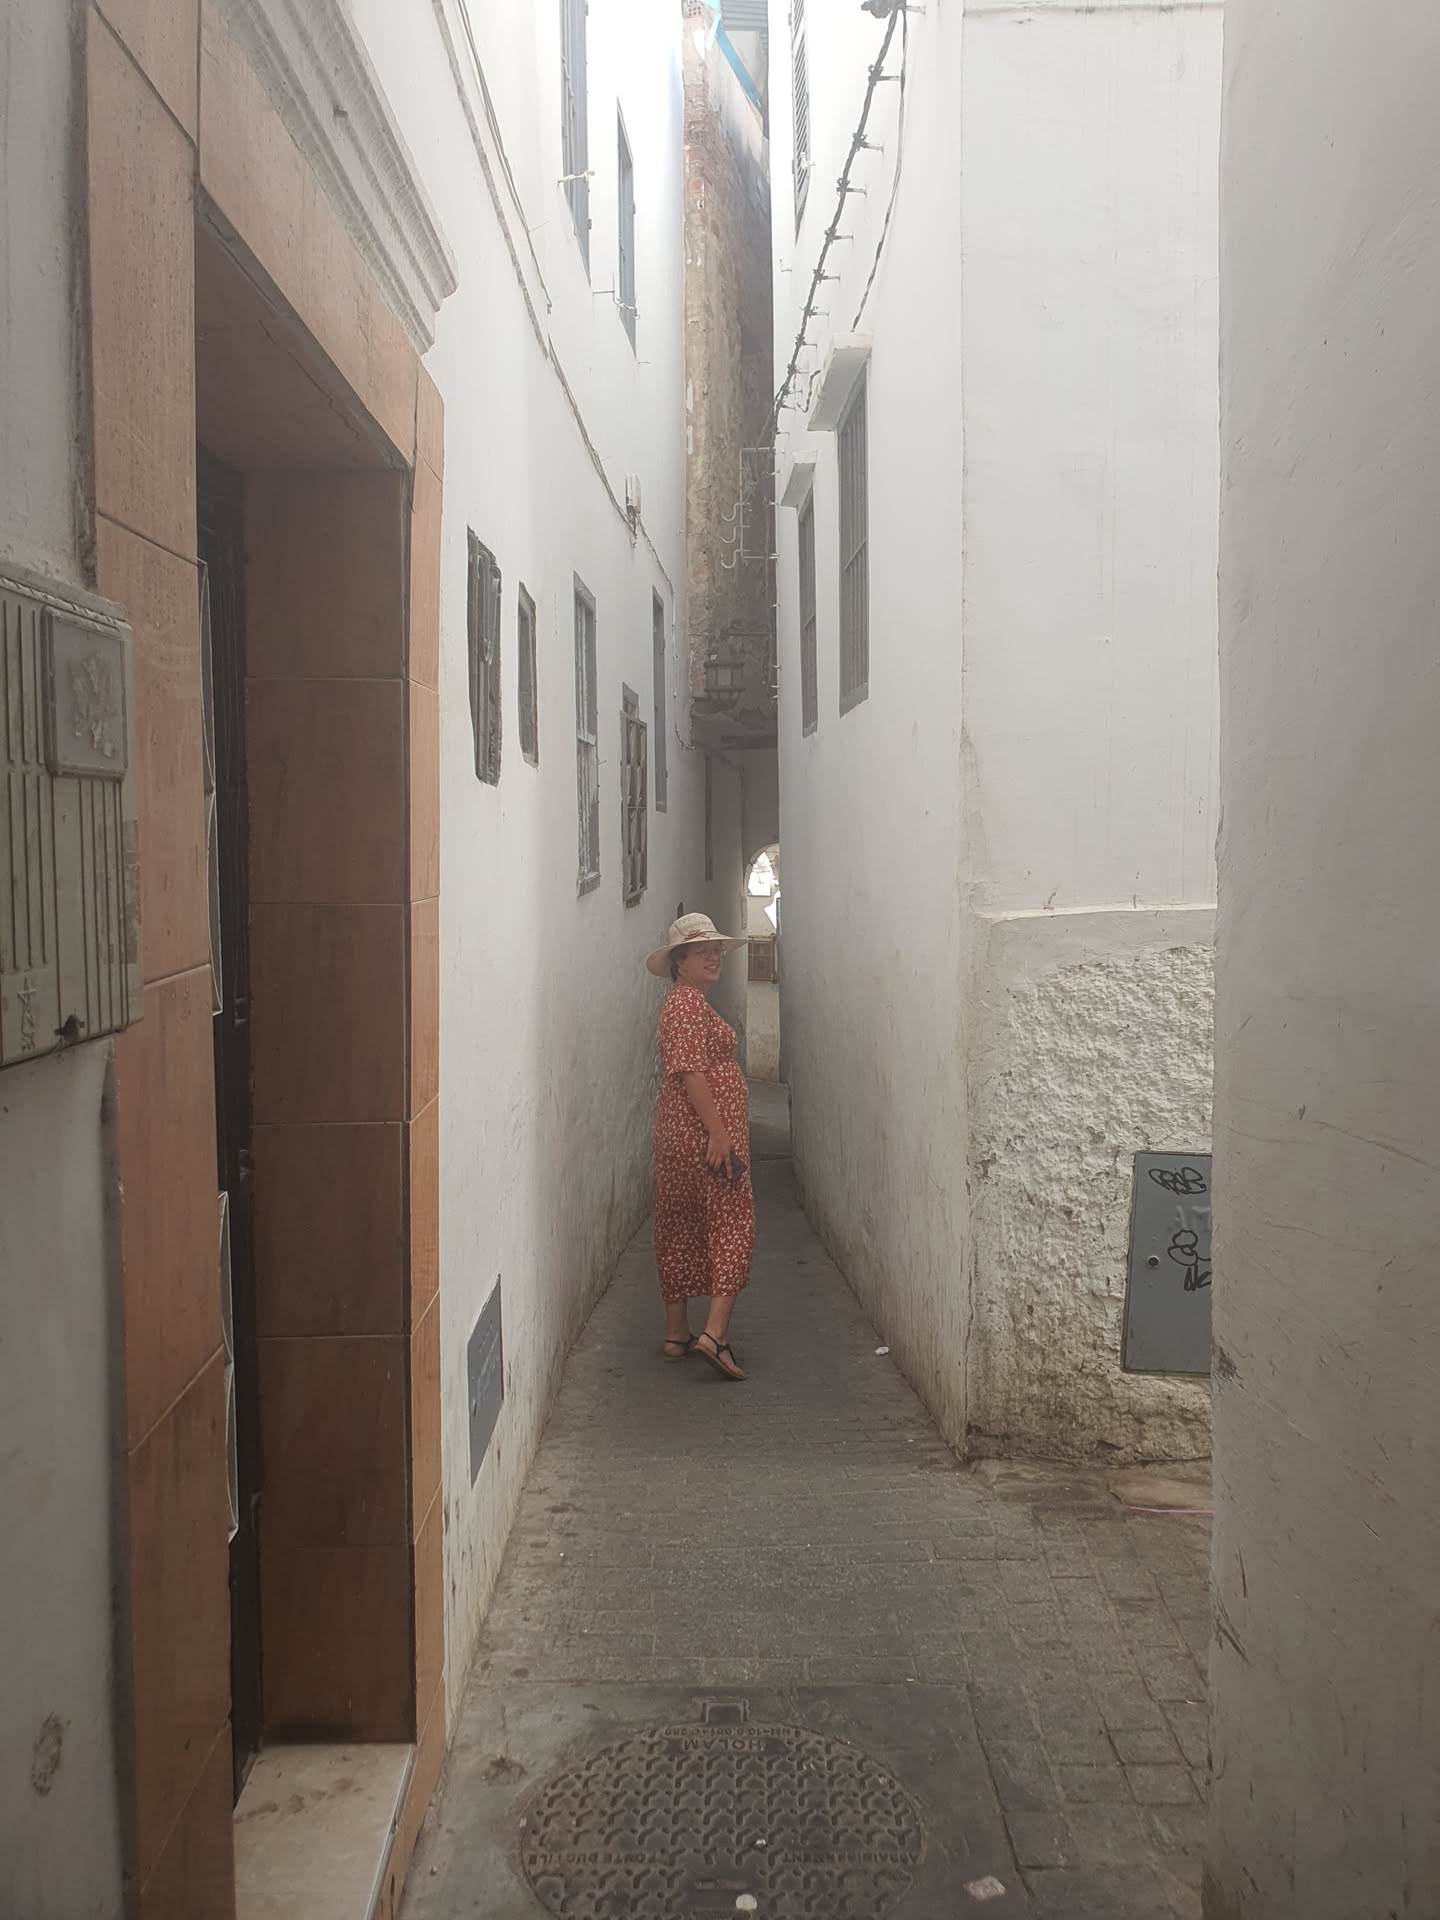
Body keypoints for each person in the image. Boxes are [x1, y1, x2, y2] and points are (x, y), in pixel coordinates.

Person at [646, 912, 753, 1381]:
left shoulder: (682, 1003)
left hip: (679, 1135)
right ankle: (715, 1336)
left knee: (680, 1225)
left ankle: (677, 1334)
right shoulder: (688, 1004)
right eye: (701, 951)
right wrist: (718, 1132)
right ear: (679, 962)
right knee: (733, 1224)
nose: (713, 958)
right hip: (702, 1137)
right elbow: (691, 1071)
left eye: (716, 950)